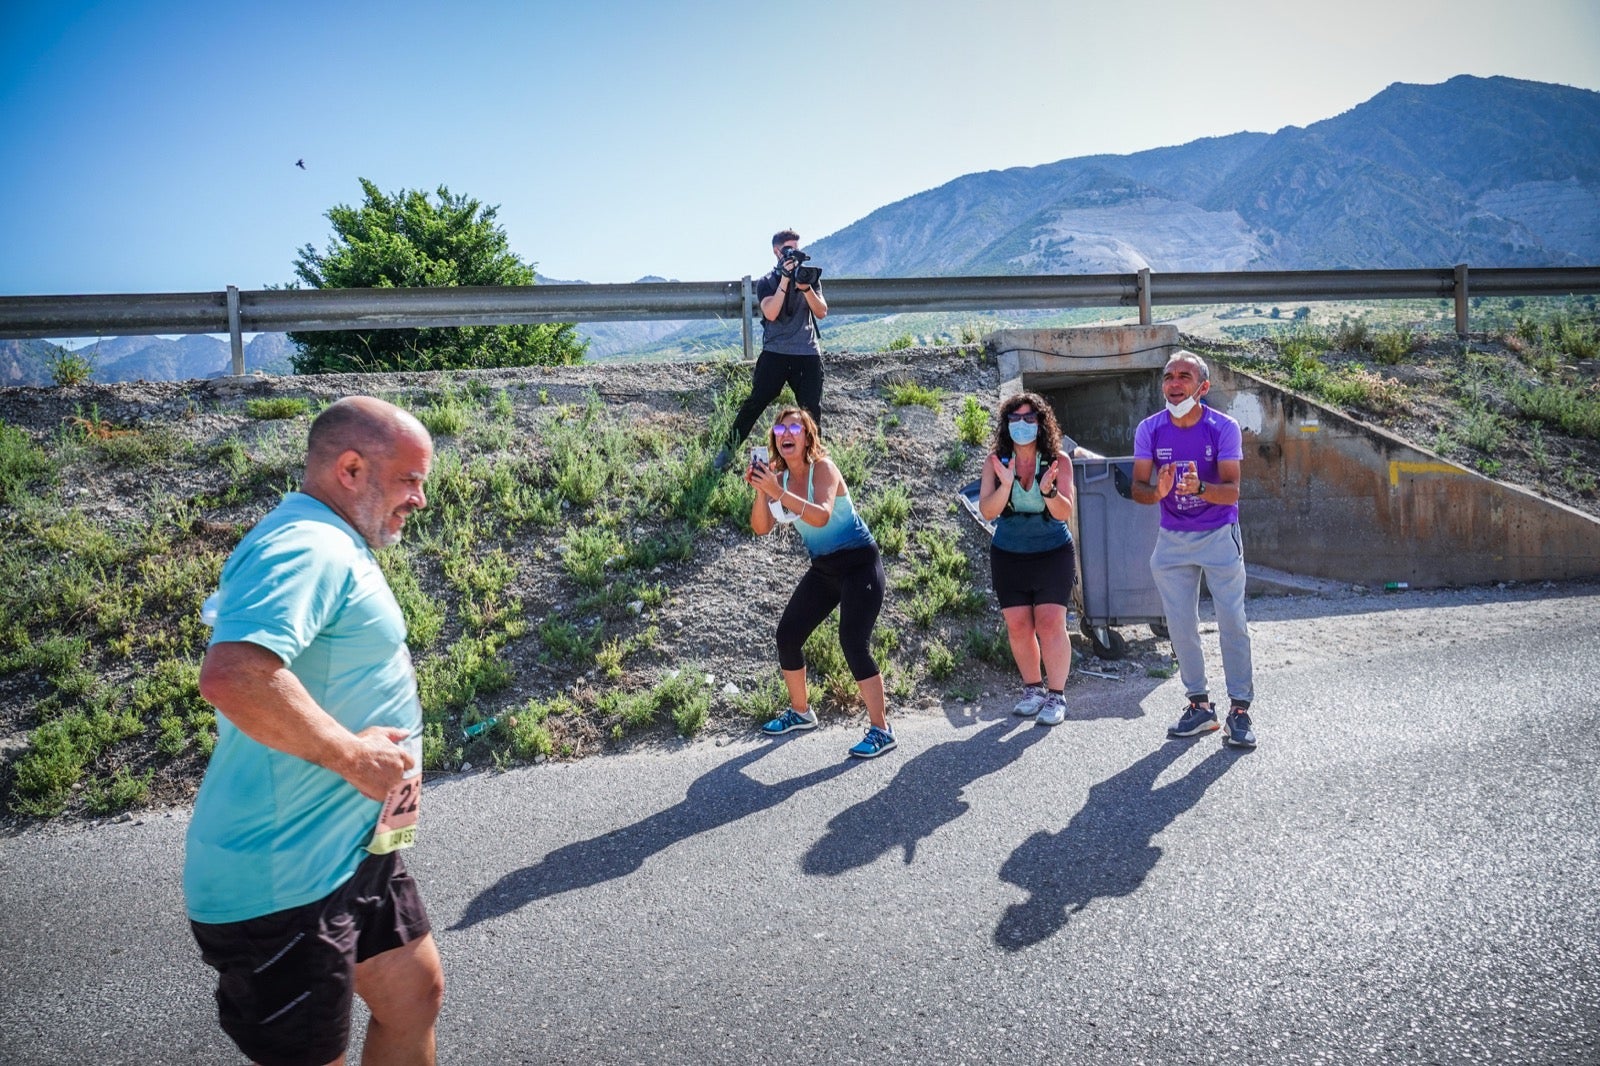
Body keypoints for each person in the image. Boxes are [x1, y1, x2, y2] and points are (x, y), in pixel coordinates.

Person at [185, 396, 445, 1066]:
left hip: (354, 849)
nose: (419, 499)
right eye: (410, 480)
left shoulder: (329, 539)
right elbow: (235, 675)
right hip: (283, 879)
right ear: (351, 469)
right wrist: (354, 756)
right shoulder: (307, 545)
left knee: (415, 996)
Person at [744, 406, 895, 758]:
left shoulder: (823, 468)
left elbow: (822, 514)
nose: (786, 434)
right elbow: (761, 528)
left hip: (860, 563)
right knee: (788, 635)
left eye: (794, 428)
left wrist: (777, 491)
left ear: (807, 436)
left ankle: (882, 730)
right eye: (780, 430)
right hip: (825, 568)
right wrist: (762, 490)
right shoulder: (778, 479)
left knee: (853, 642)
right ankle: (801, 713)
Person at [1131, 351, 1257, 749]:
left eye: (1184, 376)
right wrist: (1159, 491)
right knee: (1180, 625)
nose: (1174, 383)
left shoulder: (1223, 427)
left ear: (1203, 387)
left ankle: (1240, 710)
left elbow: (1233, 491)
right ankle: (1199, 706)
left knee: (1231, 620)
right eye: (1168, 376)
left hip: (1219, 534)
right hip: (1172, 539)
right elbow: (1138, 489)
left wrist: (1200, 488)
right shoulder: (1149, 429)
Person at [978, 393, 1078, 727]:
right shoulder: (995, 461)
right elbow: (988, 511)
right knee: (1018, 625)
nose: (1022, 425)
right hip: (1009, 554)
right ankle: (1033, 689)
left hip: (1052, 552)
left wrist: (1048, 491)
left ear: (1041, 423)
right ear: (1006, 424)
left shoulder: (1058, 461)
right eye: (1015, 419)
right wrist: (1005, 485)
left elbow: (1064, 512)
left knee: (1050, 623)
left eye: (1029, 418)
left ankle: (1056, 695)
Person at [714, 228, 828, 470]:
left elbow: (821, 312)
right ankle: (727, 452)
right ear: (777, 252)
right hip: (776, 353)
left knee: (812, 411)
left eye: (797, 249)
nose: (794, 253)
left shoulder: (809, 277)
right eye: (789, 249)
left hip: (807, 352)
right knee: (755, 402)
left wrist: (805, 287)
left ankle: (815, 463)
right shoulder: (767, 281)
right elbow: (771, 312)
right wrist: (785, 279)